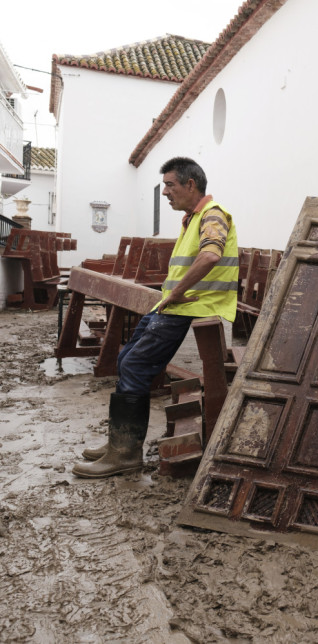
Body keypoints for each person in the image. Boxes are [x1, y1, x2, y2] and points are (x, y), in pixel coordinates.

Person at [72, 157, 239, 478]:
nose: (164, 192)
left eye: (170, 185)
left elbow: (211, 254)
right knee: (126, 362)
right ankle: (119, 442)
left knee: (134, 365)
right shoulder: (193, 218)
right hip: (173, 304)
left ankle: (125, 454)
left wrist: (177, 293)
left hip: (190, 305)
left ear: (191, 185)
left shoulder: (213, 215)